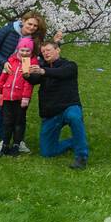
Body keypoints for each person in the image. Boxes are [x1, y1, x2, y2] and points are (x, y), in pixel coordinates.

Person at [0, 12, 51, 153]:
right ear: (23, 21)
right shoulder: (9, 30)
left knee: (20, 110)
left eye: (35, 26)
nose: (32, 27)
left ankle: (18, 141)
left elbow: (42, 55)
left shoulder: (35, 39)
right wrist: (4, 63)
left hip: (20, 79)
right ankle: (3, 141)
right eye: (30, 24)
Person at [24, 41, 89, 169]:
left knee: (75, 117)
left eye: (48, 50)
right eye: (43, 52)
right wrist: (27, 75)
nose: (45, 53)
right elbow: (34, 79)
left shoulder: (70, 65)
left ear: (57, 50)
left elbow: (61, 73)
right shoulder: (43, 69)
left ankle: (81, 156)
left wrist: (43, 71)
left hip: (69, 106)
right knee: (47, 152)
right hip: (51, 113)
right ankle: (73, 141)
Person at [0, 36, 36, 157]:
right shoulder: (11, 61)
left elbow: (28, 82)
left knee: (19, 122)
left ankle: (16, 144)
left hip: (20, 98)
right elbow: (1, 79)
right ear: (18, 50)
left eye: (28, 51)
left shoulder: (30, 63)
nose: (24, 53)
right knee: (7, 121)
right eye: (22, 50)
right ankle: (5, 144)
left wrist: (26, 97)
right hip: (7, 96)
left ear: (31, 52)